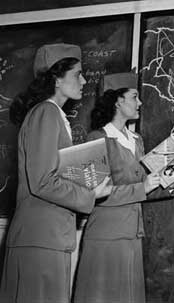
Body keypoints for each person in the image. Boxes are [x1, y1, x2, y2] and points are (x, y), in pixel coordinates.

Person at [0, 43, 112, 303]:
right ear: (56, 79)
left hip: (47, 238)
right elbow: (42, 181)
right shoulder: (46, 113)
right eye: (77, 74)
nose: (84, 80)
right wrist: (89, 194)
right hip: (39, 240)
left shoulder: (53, 115)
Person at [73, 72, 170, 303]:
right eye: (135, 97)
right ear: (118, 100)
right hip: (106, 237)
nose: (140, 103)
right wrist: (143, 187)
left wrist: (172, 176)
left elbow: (144, 187)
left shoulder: (136, 140)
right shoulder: (96, 138)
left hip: (131, 235)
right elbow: (95, 195)